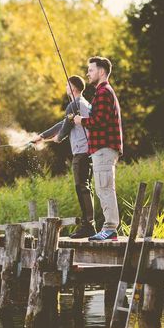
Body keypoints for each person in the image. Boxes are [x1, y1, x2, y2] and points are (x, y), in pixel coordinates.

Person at [32, 75, 96, 238]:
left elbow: (64, 131)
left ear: (73, 88)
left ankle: (88, 226)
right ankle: (89, 225)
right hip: (88, 152)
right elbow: (63, 124)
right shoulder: (84, 104)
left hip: (81, 153)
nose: (66, 88)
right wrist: (42, 136)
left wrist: (56, 138)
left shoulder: (73, 105)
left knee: (82, 188)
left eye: (67, 85)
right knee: (85, 188)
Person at [74, 56, 123, 241]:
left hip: (103, 148)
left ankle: (110, 228)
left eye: (91, 70)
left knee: (104, 188)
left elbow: (98, 121)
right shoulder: (103, 92)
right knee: (104, 187)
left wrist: (81, 121)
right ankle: (109, 228)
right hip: (102, 149)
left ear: (101, 71)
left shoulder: (104, 92)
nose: (88, 73)